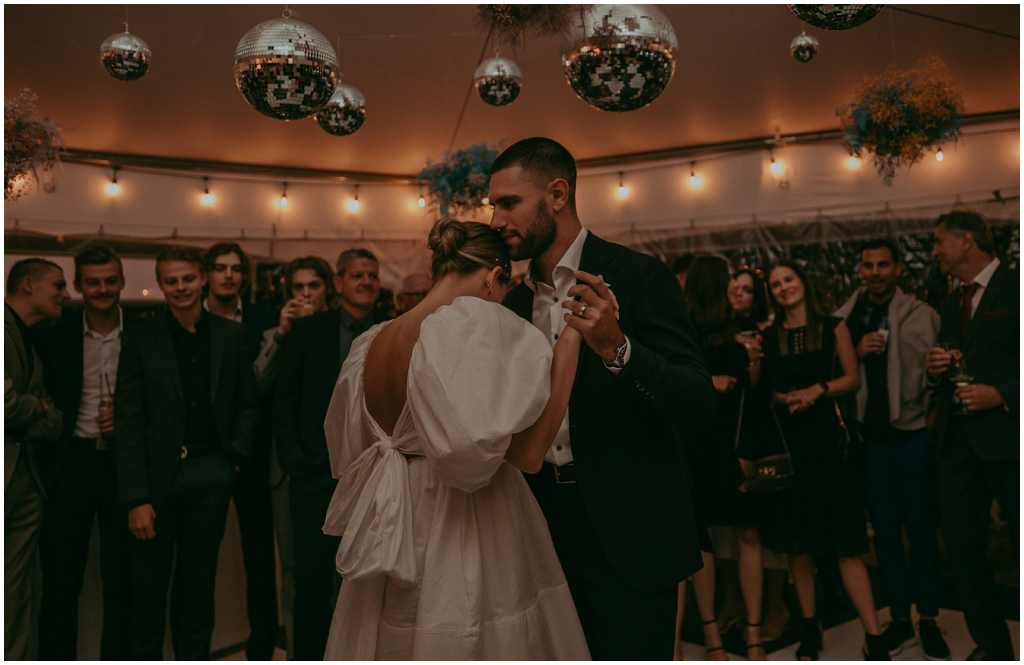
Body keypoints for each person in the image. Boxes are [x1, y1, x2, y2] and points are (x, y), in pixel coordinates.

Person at [488, 137, 716, 660]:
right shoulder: (510, 303)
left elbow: (698, 401)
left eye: (508, 203)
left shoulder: (638, 276)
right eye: (492, 205)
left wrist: (618, 348)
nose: (496, 221)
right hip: (540, 528)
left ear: (557, 194)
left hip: (630, 524)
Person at [321, 219, 590, 659]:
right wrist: (570, 342)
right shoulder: (466, 323)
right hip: (466, 517)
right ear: (493, 277)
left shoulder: (371, 342)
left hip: (398, 516)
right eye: (505, 289)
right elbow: (526, 454)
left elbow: (348, 451)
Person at [115, 246, 258, 659]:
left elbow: (248, 405)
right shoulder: (140, 338)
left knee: (197, 591)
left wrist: (232, 461)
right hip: (155, 481)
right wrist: (135, 497)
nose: (180, 287)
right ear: (160, 284)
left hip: (211, 474)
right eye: (171, 280)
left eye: (188, 279)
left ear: (203, 280)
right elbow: (128, 422)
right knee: (147, 593)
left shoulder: (230, 335)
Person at [762, 259, 888, 660]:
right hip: (792, 449)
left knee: (847, 544)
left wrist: (816, 390)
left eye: (789, 280)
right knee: (800, 547)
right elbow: (768, 393)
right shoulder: (770, 336)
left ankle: (874, 634)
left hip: (831, 447)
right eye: (776, 284)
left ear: (803, 282)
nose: (784, 287)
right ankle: (810, 629)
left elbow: (852, 378)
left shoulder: (834, 325)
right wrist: (787, 398)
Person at [835, 238, 949, 659]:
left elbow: (939, 376)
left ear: (898, 269)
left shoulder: (924, 316)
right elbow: (834, 368)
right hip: (871, 444)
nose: (875, 272)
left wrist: (930, 420)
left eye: (884, 265)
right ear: (860, 270)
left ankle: (930, 619)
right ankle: (899, 618)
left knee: (921, 533)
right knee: (884, 537)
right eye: (868, 265)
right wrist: (857, 352)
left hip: (913, 439)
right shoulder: (846, 318)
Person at [273, 248, 383, 660]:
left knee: (370, 579)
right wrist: (296, 463)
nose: (366, 282)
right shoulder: (308, 330)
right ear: (338, 283)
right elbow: (284, 401)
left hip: (373, 474)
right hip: (314, 476)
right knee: (312, 581)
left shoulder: (391, 330)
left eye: (372, 275)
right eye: (357, 275)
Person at [925, 211, 1018, 661]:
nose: (934, 251)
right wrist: (934, 371)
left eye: (940, 241)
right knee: (962, 546)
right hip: (958, 444)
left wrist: (1002, 394)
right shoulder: (948, 303)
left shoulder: (1016, 289)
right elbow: (952, 363)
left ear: (967, 240)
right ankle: (993, 646)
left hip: (1010, 438)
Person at [34, 246, 133, 660]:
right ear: (77, 286)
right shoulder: (53, 335)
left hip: (123, 466)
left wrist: (124, 421)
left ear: (122, 281)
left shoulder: (145, 333)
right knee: (60, 580)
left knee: (123, 579)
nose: (103, 289)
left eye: (110, 280)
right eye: (93, 281)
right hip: (71, 463)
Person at [676, 257, 767, 661]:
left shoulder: (742, 329)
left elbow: (757, 391)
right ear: (713, 283)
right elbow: (670, 384)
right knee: (705, 541)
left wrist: (755, 360)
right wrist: (708, 383)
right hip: (699, 447)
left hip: (738, 442)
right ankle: (712, 637)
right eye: (729, 278)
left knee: (750, 533)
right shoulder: (682, 331)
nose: (735, 285)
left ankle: (753, 632)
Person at [253, 255, 336, 659]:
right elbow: (261, 389)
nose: (305, 295)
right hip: (289, 467)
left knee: (332, 570)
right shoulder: (276, 333)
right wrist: (284, 333)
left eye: (312, 287)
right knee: (294, 569)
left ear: (327, 289)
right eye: (297, 289)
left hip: (333, 466)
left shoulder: (342, 331)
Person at [202, 242, 279, 660]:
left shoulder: (264, 320)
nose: (228, 276)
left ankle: (262, 646)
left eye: (235, 269)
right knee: (200, 556)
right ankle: (196, 649)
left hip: (253, 452)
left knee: (259, 558)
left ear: (245, 277)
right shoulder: (188, 318)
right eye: (219, 268)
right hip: (200, 455)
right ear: (206, 275)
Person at [716, 265, 790, 644]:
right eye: (735, 287)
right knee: (724, 530)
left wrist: (754, 358)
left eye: (747, 289)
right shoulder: (714, 330)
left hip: (758, 439)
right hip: (721, 439)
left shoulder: (767, 330)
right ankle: (733, 603)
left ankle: (775, 605)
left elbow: (762, 390)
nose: (739, 293)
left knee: (762, 529)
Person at [4, 258, 67, 660]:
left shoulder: (31, 338)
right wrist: (36, 408)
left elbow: (55, 419)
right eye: (58, 286)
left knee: (17, 588)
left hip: (25, 477)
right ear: (27, 284)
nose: (67, 294)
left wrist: (35, 412)